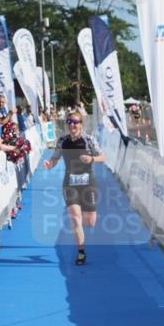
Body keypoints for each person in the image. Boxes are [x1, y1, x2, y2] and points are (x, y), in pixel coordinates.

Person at [42, 109, 105, 266]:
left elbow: (102, 158)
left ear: (81, 124)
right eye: (69, 122)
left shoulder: (89, 140)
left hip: (88, 183)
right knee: (75, 219)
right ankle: (81, 252)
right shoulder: (62, 141)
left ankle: (85, 219)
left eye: (75, 122)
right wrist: (50, 164)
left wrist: (91, 158)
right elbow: (55, 157)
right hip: (70, 183)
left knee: (90, 222)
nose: (72, 125)